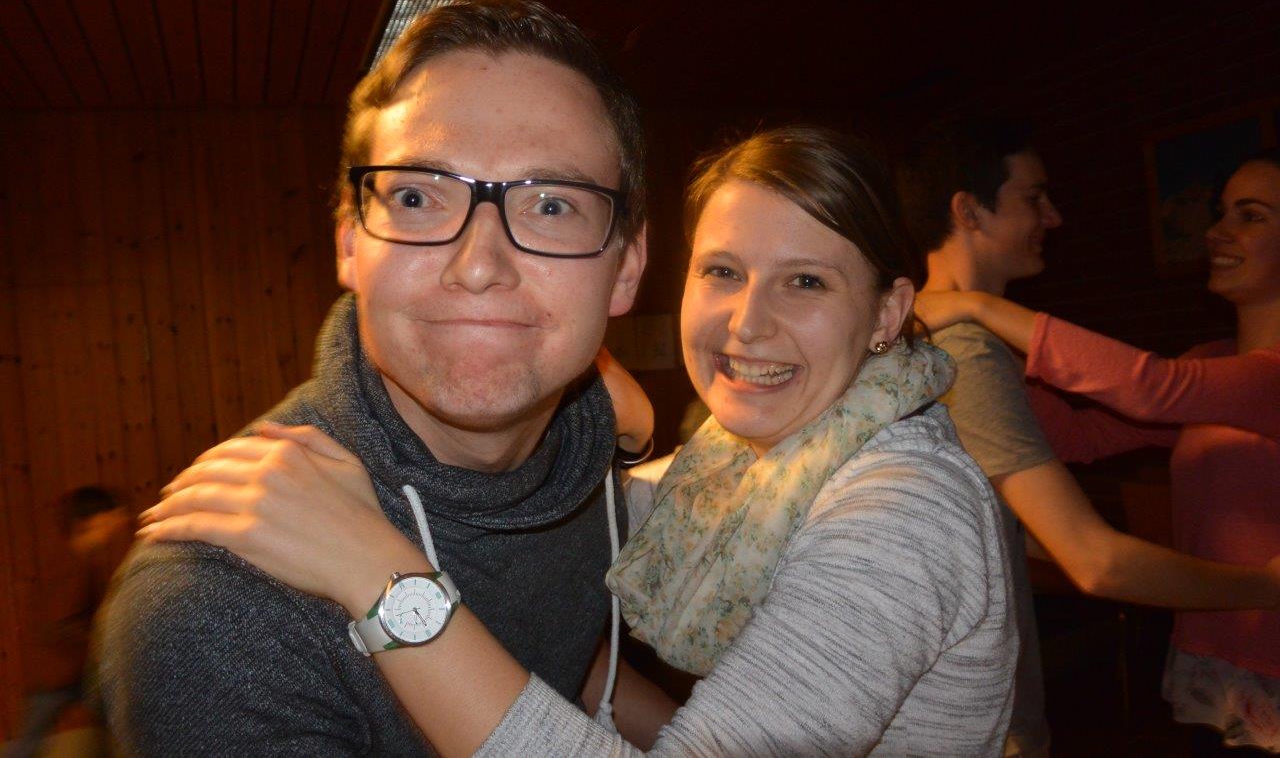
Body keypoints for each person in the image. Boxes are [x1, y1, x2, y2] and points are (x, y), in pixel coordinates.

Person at [141, 126, 1019, 756]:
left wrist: (379, 575)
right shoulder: (741, 465)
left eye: (807, 282)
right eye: (722, 271)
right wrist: (596, 419)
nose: (748, 323)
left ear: (888, 311)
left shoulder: (905, 508)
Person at [93, 0, 649, 754]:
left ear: (626, 268)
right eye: (418, 197)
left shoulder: (584, 448)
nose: (479, 266)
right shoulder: (216, 611)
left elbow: (566, 667)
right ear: (350, 244)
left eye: (551, 205)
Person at [900, 120, 1280, 757]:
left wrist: (981, 310)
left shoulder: (1242, 379)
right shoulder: (1211, 363)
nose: (1218, 231)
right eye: (1223, 213)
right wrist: (985, 345)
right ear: (968, 210)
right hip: (1219, 659)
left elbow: (1153, 387)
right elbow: (1077, 434)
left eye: (1251, 216)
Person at [10, 486, 131, 758]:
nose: (113, 527)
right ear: (88, 522)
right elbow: (59, 625)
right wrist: (99, 639)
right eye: (108, 520)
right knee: (29, 743)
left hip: (66, 673)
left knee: (108, 721)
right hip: (57, 675)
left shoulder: (83, 562)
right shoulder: (71, 567)